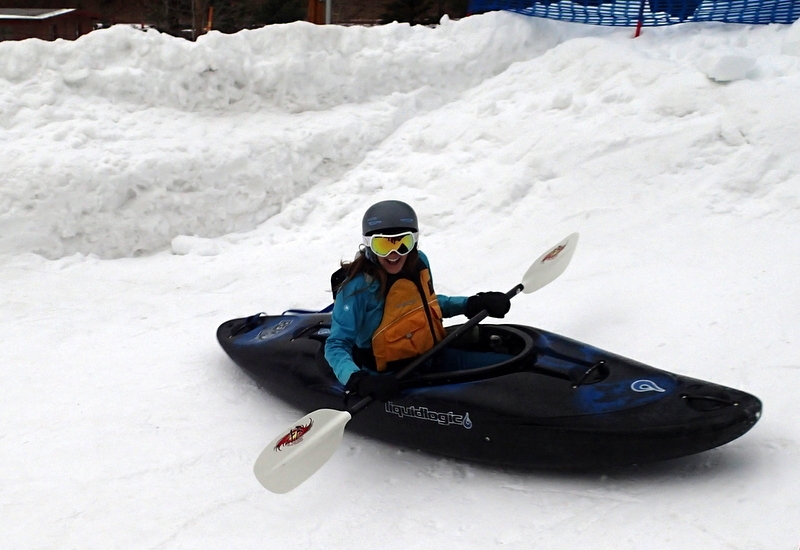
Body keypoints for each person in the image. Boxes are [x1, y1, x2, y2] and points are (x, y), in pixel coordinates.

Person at [324, 200, 511, 401]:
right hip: (393, 379)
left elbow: (426, 306)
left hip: (434, 358)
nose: (393, 254)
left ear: (415, 240)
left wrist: (470, 304)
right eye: (383, 245)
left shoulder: (418, 263)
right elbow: (336, 344)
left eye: (403, 243)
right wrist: (360, 380)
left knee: (510, 369)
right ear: (369, 244)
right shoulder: (357, 288)